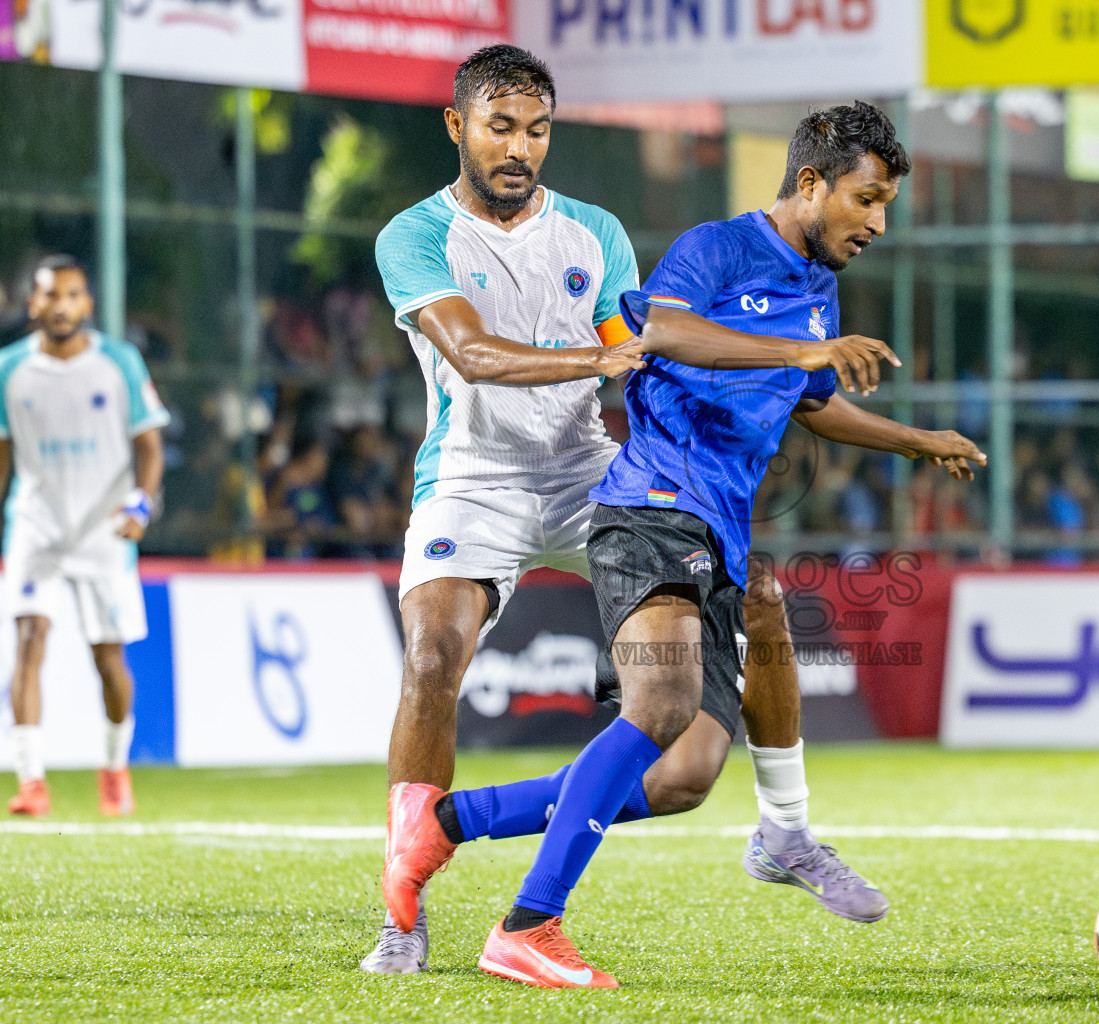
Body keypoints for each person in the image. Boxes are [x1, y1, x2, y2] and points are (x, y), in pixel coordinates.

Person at [386, 101, 986, 988]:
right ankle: (529, 923)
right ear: (812, 182)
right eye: (867, 199)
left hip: (717, 525)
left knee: (688, 771)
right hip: (649, 504)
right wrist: (797, 353)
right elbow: (662, 332)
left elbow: (810, 400)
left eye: (887, 204)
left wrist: (914, 440)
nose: (878, 222)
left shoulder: (815, 288)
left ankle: (454, 824)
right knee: (657, 702)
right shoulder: (717, 247)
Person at [1, 255, 168, 817]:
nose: (60, 305)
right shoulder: (9, 368)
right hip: (34, 526)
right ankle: (30, 781)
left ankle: (115, 766)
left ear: (86, 305)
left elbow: (149, 446)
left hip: (104, 530)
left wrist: (140, 502)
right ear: (33, 304)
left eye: (72, 295)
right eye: (49, 295)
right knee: (29, 640)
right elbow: (3, 456)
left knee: (108, 658)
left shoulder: (118, 362)